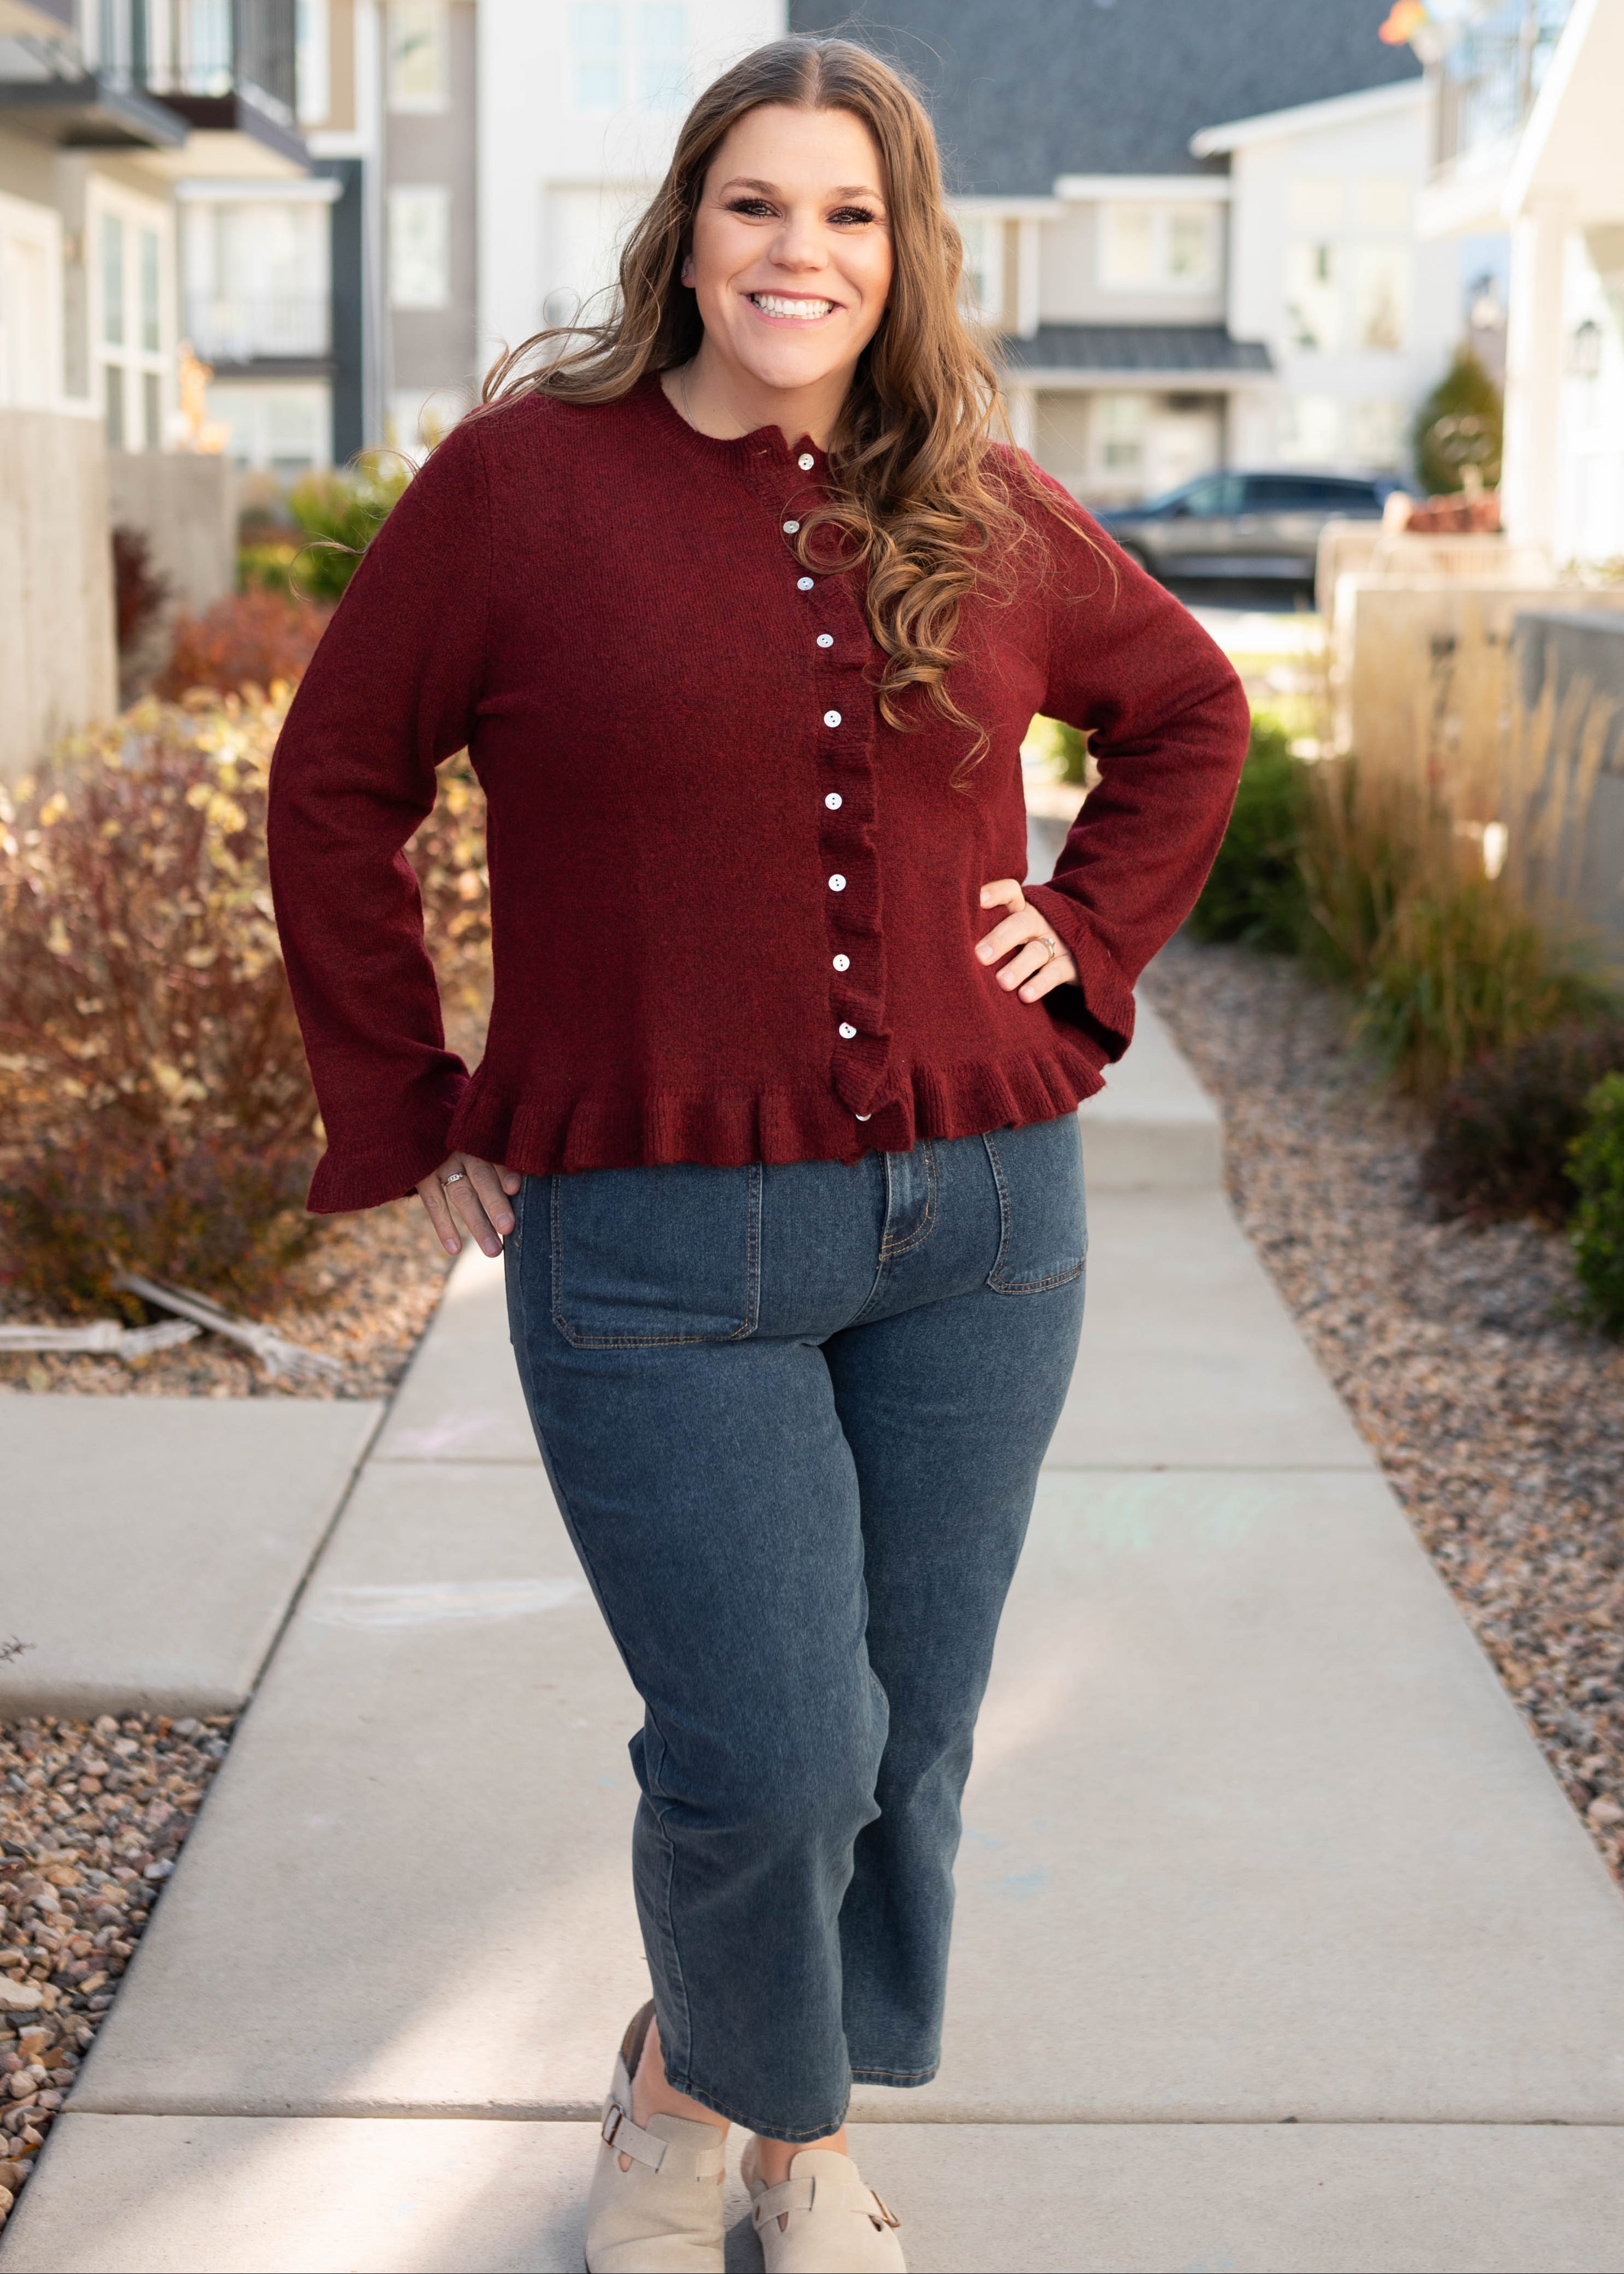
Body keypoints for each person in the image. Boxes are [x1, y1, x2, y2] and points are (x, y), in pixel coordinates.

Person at [267, 35, 1248, 2273]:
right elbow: (332, 785)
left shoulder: (977, 496)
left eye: (849, 216)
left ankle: (766, 2135)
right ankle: (698, 2090)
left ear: (902, 257)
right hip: (654, 1244)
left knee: (908, 1752)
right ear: (685, 233)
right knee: (775, 1753)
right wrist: (404, 1103)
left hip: (985, 1223)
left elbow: (1190, 708)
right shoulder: (523, 490)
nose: (799, 253)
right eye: (756, 205)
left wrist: (1083, 935)